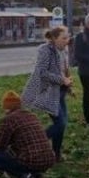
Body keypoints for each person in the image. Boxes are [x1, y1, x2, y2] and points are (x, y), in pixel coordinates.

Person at [0, 90, 57, 178]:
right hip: (49, 159)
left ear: (6, 107)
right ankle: (34, 174)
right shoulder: (32, 115)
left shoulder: (8, 120)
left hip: (32, 160)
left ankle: (25, 175)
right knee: (13, 150)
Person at [21, 26, 73, 162]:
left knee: (62, 124)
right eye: (64, 38)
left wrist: (68, 86)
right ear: (54, 38)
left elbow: (64, 70)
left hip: (60, 91)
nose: (67, 40)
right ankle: (34, 143)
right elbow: (42, 73)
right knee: (60, 124)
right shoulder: (45, 50)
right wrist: (62, 80)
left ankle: (56, 154)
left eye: (68, 37)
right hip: (48, 92)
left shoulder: (64, 50)